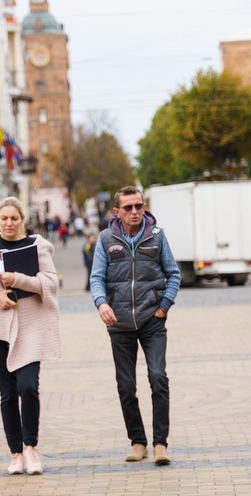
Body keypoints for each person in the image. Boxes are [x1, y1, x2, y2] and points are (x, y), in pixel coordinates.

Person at [0, 197, 60, 475]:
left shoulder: (37, 245)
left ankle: (32, 447)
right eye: (4, 218)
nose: (9, 223)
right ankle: (16, 453)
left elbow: (50, 282)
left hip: (31, 325)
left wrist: (16, 279)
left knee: (28, 387)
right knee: (7, 393)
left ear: (22, 220)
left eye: (14, 218)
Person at [89, 185, 181, 465]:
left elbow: (174, 274)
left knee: (158, 378)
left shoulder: (157, 237)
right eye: (128, 208)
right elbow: (96, 278)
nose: (134, 212)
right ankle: (138, 441)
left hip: (152, 321)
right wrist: (102, 303)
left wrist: (163, 306)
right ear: (116, 212)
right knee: (126, 386)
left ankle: (160, 444)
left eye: (139, 206)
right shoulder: (105, 239)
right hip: (119, 323)